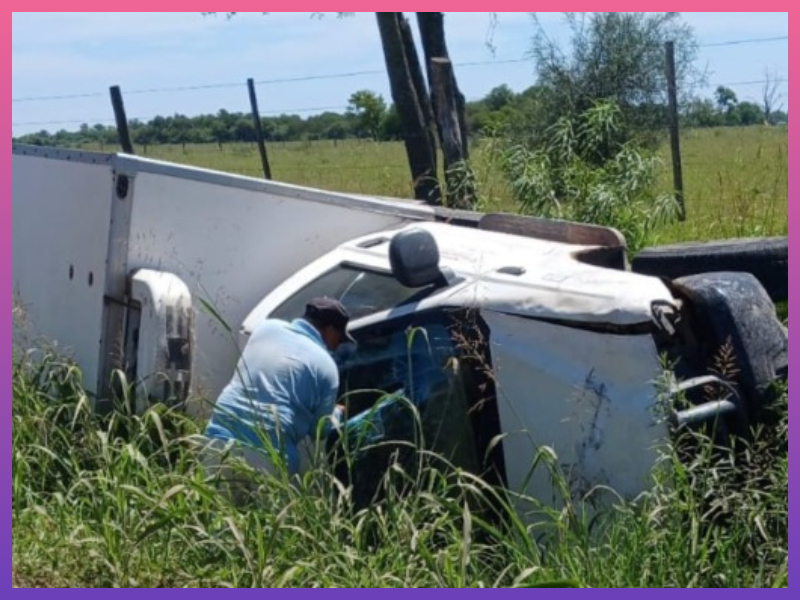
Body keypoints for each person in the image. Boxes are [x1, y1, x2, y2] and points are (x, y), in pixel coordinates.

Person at [200, 297, 355, 497]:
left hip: (219, 439)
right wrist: (337, 413)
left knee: (214, 520)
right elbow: (319, 431)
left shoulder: (266, 328)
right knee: (265, 526)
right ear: (330, 330)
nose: (337, 347)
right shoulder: (326, 366)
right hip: (269, 455)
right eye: (339, 339)